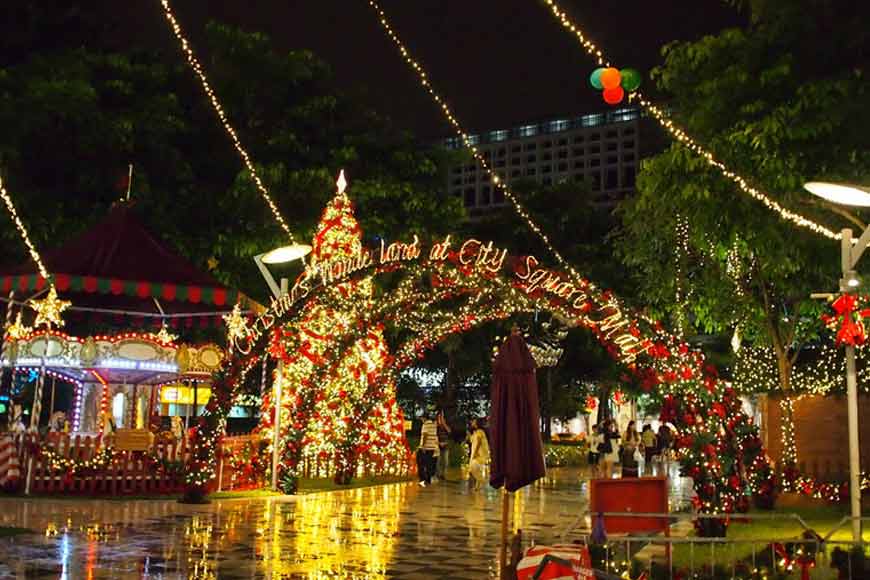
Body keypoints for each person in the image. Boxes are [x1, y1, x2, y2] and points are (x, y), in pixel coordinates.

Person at [416, 414, 440, 486]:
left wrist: (423, 446)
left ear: (424, 418)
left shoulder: (425, 424)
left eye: (421, 418)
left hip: (425, 447)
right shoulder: (433, 425)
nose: (421, 420)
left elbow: (425, 435)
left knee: (420, 463)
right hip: (432, 447)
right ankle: (428, 480)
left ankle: (422, 480)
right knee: (429, 464)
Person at [467, 418, 490, 490]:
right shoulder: (476, 432)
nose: (472, 423)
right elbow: (471, 440)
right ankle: (478, 485)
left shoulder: (480, 432)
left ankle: (481, 481)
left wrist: (475, 453)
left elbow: (479, 442)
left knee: (473, 467)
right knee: (474, 469)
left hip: (479, 453)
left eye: (474, 422)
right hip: (475, 452)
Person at [435, 410, 452, 481]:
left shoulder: (445, 425)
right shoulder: (436, 426)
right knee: (437, 461)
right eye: (439, 417)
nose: (441, 419)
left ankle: (443, 474)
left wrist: (444, 424)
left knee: (446, 461)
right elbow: (434, 435)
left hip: (445, 445)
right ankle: (438, 475)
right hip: (438, 445)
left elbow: (449, 431)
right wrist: (438, 443)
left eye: (442, 417)